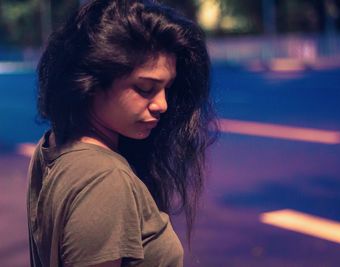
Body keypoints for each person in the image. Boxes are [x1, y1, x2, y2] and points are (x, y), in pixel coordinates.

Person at [26, 0, 218, 266]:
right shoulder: (105, 178)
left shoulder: (53, 144)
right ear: (90, 82)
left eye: (167, 88)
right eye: (144, 88)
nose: (162, 104)